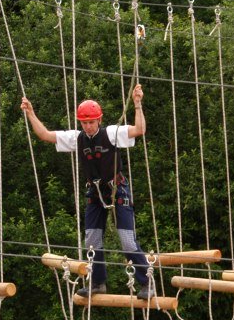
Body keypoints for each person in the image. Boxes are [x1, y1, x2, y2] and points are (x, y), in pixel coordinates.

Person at [21, 85, 153, 300]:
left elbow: (139, 130)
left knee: (127, 241)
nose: (89, 126)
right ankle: (98, 282)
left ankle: (147, 282)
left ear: (99, 120)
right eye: (85, 122)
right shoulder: (76, 138)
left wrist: (137, 104)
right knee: (91, 240)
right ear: (80, 122)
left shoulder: (111, 133)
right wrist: (30, 113)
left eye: (92, 122)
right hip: (94, 193)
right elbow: (45, 135)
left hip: (117, 190)